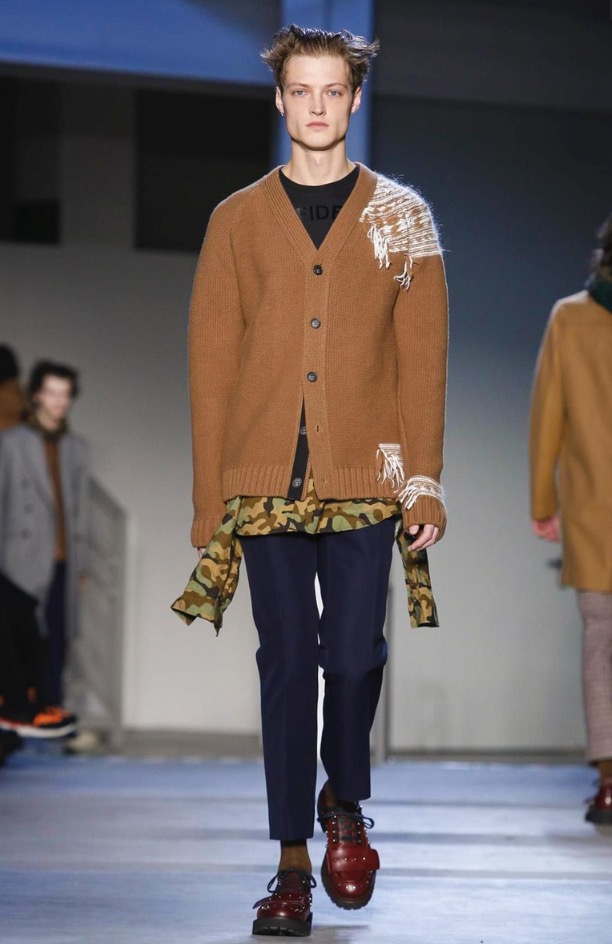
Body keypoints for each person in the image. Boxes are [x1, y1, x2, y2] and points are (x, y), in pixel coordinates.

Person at [173, 25, 448, 937]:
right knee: (288, 663)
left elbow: (424, 361)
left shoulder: (402, 215)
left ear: (355, 99)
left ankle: (344, 799)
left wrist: (425, 482)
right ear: (280, 99)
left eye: (334, 90)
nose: (318, 105)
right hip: (263, 480)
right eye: (302, 90)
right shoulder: (236, 219)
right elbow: (212, 362)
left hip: (367, 476)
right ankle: (293, 861)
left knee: (356, 655)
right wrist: (209, 495)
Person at [529, 212, 612, 827]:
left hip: (592, 507)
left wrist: (543, 501)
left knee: (599, 640)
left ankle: (610, 783)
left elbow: (548, 413)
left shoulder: (571, 317)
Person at [0, 360, 90, 715]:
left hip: (64, 558)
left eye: (65, 394)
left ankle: (49, 713)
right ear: (37, 395)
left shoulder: (76, 448)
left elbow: (80, 510)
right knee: (22, 641)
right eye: (52, 393)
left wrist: (82, 564)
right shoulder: (11, 443)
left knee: (57, 640)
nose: (59, 401)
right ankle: (22, 715)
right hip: (19, 558)